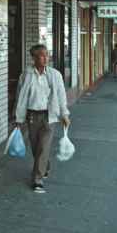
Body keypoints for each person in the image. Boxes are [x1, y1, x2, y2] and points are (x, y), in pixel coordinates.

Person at [13, 44, 71, 194]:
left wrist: (64, 114)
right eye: (42, 55)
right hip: (32, 116)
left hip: (49, 116)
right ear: (34, 58)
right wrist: (18, 118)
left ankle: (37, 180)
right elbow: (21, 97)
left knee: (44, 147)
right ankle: (45, 166)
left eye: (47, 54)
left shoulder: (55, 75)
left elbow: (61, 95)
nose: (46, 58)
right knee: (36, 148)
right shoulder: (26, 75)